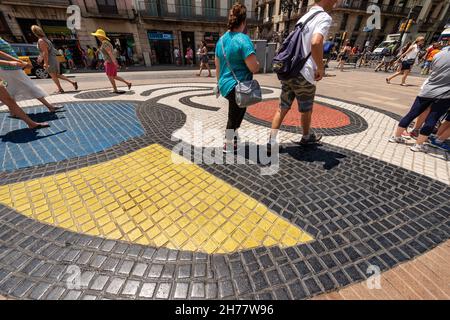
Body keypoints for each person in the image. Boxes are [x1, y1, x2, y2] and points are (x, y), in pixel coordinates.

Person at [269, 0, 335, 148]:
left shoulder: (304, 17)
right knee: (306, 109)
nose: (336, 3)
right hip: (304, 73)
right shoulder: (324, 17)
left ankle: (271, 141)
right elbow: (316, 42)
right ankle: (306, 137)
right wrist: (320, 67)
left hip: (289, 70)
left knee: (282, 107)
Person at [215, 2, 259, 153]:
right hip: (238, 86)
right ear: (244, 21)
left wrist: (218, 84)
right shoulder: (243, 39)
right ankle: (228, 143)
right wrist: (257, 63)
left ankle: (232, 137)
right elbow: (254, 67)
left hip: (225, 85)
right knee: (234, 116)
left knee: (238, 111)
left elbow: (218, 66)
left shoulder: (220, 41)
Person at [389, 45, 450, 152]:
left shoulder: (438, 54)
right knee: (432, 119)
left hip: (427, 90)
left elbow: (432, 70)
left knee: (412, 113)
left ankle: (396, 136)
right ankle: (418, 145)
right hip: (444, 94)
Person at [0, 37, 62, 116]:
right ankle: (49, 107)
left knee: (11, 89)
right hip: (8, 68)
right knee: (28, 86)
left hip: (12, 67)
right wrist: (17, 61)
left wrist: (18, 61)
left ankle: (13, 111)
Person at [32, 25, 78, 94]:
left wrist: (46, 63)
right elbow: (45, 51)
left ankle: (60, 89)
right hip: (53, 58)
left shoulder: (41, 41)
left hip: (50, 59)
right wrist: (41, 57)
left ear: (35, 33)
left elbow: (45, 52)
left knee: (53, 75)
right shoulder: (46, 39)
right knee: (57, 74)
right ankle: (72, 82)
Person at [91, 28, 132, 94]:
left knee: (110, 76)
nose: (97, 37)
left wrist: (114, 62)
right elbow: (108, 53)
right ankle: (128, 83)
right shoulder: (106, 43)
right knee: (114, 76)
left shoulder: (104, 43)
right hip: (110, 61)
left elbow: (109, 52)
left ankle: (115, 89)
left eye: (98, 35)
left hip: (110, 62)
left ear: (101, 36)